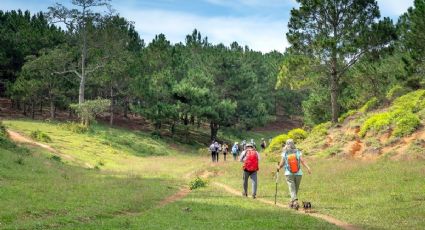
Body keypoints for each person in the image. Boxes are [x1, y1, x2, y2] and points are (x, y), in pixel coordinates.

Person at [277, 139, 311, 210]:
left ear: (286, 144)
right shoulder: (298, 151)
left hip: (289, 173)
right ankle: (291, 203)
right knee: (295, 189)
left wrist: (278, 167)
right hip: (299, 173)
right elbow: (302, 161)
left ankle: (295, 202)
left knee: (292, 189)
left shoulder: (285, 152)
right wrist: (308, 168)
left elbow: (282, 163)